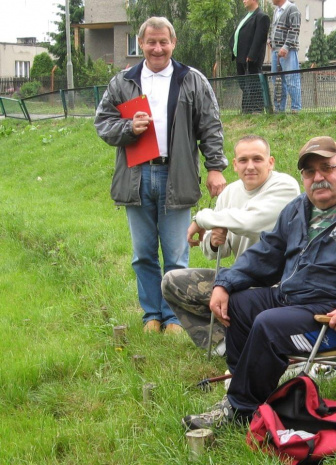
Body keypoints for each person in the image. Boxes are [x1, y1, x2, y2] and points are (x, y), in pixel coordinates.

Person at [182, 136, 336, 430]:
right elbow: (266, 253)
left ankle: (240, 408)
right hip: (293, 299)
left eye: (327, 168)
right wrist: (225, 284)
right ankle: (247, 395)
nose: (318, 177)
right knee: (239, 305)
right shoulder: (299, 208)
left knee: (269, 325)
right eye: (309, 172)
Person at [95, 17, 227, 334]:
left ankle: (173, 317)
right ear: (141, 43)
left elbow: (210, 126)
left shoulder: (192, 80)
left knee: (176, 254)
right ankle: (151, 315)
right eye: (151, 42)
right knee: (143, 254)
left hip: (177, 174)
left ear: (173, 43)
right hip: (136, 175)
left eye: (163, 42)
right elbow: (102, 124)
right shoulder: (123, 81)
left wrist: (214, 167)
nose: (157, 48)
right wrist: (128, 128)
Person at [161, 135, 300, 349]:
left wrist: (201, 218)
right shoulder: (229, 193)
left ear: (270, 162)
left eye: (257, 159)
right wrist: (215, 242)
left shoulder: (285, 187)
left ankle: (254, 338)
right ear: (234, 165)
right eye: (243, 160)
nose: (250, 166)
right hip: (238, 279)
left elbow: (250, 222)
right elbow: (214, 251)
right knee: (173, 281)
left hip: (279, 286)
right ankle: (221, 345)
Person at [229, 0, 271, 113]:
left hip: (251, 58)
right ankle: (246, 110)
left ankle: (257, 110)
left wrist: (252, 55)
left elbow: (259, 38)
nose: (243, 1)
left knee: (254, 84)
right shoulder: (246, 16)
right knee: (244, 84)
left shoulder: (261, 17)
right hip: (240, 56)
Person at [268, 0, 302, 113]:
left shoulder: (292, 9)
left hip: (288, 51)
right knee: (277, 81)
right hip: (275, 51)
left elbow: (295, 29)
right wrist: (270, 40)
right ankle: (279, 110)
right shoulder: (276, 11)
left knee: (291, 79)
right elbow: (273, 28)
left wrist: (286, 46)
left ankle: (296, 109)